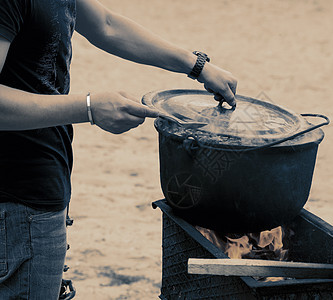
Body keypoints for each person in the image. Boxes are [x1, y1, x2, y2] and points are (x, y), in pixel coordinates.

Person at [0, 0, 237, 298]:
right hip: (16, 200)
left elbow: (106, 25)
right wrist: (88, 108)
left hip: (40, 185)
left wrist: (197, 65)